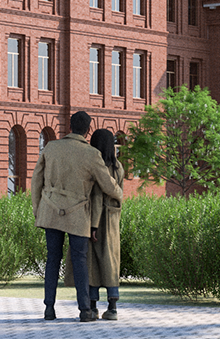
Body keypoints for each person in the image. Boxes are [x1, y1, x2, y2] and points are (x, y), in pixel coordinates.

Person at [32, 111, 122, 322]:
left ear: (70, 127)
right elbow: (107, 185)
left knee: (52, 260)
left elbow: (36, 179)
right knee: (80, 260)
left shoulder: (50, 147)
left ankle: (49, 309)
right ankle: (85, 311)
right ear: (88, 130)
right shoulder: (91, 154)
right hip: (77, 213)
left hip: (50, 210)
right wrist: (119, 193)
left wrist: (38, 210)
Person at [86, 129, 126, 321]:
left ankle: (92, 306)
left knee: (93, 261)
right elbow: (120, 195)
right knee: (111, 261)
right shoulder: (119, 167)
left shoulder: (98, 168)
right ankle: (112, 307)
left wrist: (93, 226)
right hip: (113, 219)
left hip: (98, 218)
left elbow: (96, 197)